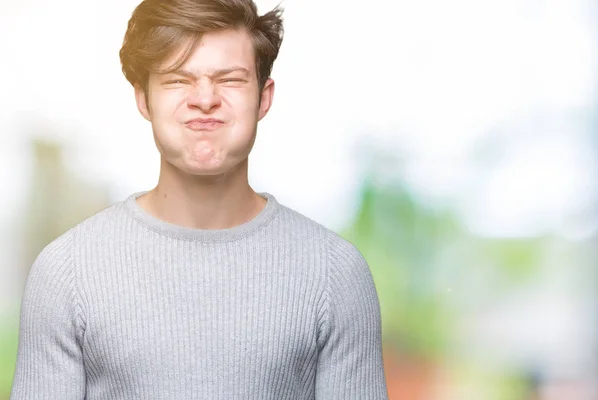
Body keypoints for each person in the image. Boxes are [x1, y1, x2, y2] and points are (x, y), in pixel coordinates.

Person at [10, 0, 389, 398]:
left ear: (263, 97)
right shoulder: (66, 273)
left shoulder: (335, 274)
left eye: (229, 79)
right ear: (143, 99)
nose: (204, 99)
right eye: (177, 79)